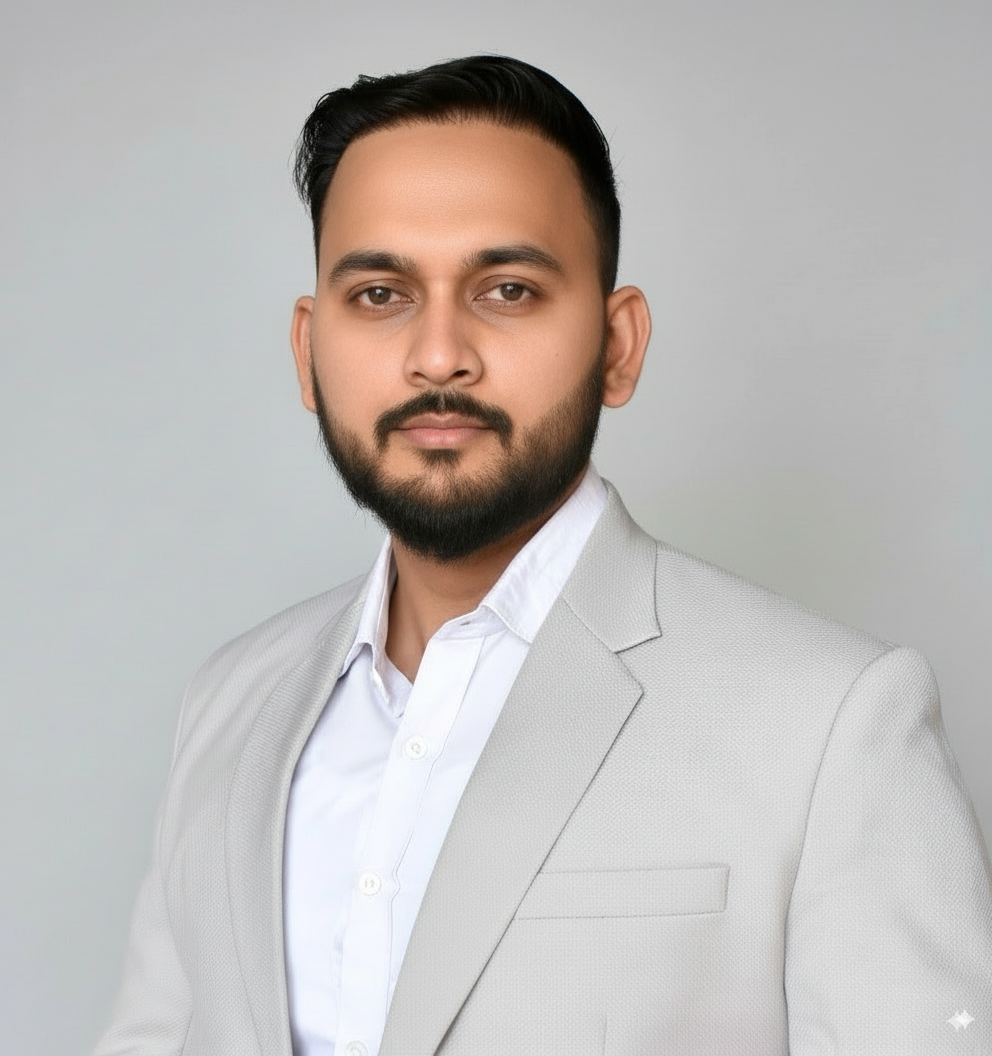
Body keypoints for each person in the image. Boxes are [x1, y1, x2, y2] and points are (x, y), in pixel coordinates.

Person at [93, 55, 991, 1056]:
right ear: (308, 351)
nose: (438, 354)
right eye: (381, 293)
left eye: (508, 289)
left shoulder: (831, 721)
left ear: (617, 345)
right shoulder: (229, 701)